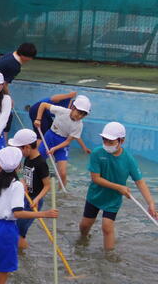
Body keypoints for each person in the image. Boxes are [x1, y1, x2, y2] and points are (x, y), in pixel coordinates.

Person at [0, 146, 58, 284]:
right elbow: (18, 213)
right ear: (19, 166)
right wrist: (44, 214)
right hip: (5, 231)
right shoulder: (16, 186)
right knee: (0, 281)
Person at [79, 122, 157, 251]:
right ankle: (82, 239)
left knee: (107, 227)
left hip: (113, 199)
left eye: (111, 141)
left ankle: (109, 256)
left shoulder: (128, 159)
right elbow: (96, 178)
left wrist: (151, 203)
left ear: (122, 141)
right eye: (104, 140)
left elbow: (140, 182)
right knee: (85, 225)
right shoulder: (97, 153)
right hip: (95, 196)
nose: (106, 144)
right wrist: (119, 187)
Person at [35, 94, 92, 188]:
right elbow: (43, 105)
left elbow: (68, 141)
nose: (79, 116)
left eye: (83, 114)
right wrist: (38, 119)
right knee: (38, 163)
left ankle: (61, 192)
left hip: (62, 143)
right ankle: (37, 185)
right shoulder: (62, 111)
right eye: (79, 112)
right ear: (73, 107)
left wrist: (55, 148)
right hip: (49, 137)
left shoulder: (79, 125)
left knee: (63, 173)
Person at [8, 129, 51, 250]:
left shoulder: (41, 163)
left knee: (20, 232)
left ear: (27, 147)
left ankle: (21, 253)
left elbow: (47, 186)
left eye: (19, 149)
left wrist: (37, 199)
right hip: (25, 198)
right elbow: (25, 175)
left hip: (34, 202)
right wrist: (23, 182)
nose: (18, 152)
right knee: (16, 227)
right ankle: (20, 253)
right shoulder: (27, 158)